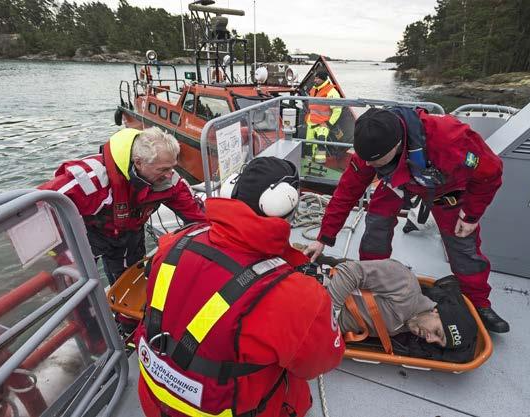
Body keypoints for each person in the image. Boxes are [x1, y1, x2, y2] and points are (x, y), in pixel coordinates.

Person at [135, 157, 344, 417]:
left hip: (153, 400)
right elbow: (318, 363)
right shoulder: (298, 297)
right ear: (289, 208)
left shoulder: (172, 244)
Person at [304, 107, 510, 333]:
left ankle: (478, 303)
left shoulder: (450, 139)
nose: (369, 167)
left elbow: (491, 173)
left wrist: (471, 215)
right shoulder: (371, 151)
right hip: (400, 182)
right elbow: (347, 192)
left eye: (375, 163)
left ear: (396, 146)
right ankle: (373, 280)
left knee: (462, 244)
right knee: (376, 224)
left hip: (446, 188)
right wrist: (324, 237)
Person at [40, 127, 205, 285]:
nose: (170, 174)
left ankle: (122, 311)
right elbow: (36, 209)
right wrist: (65, 257)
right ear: (139, 163)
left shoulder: (170, 182)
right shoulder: (90, 179)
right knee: (79, 283)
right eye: (163, 169)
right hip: (88, 235)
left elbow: (197, 215)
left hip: (130, 236)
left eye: (172, 167)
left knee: (129, 283)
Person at [325, 259, 478, 363]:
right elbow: (349, 271)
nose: (430, 340)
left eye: (438, 343)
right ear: (436, 312)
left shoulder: (408, 327)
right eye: (437, 332)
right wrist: (330, 317)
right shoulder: (404, 284)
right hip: (318, 297)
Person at [305, 70, 342, 164]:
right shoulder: (313, 89)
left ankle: (320, 164)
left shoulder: (332, 92)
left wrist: (329, 124)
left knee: (321, 143)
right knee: (309, 144)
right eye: (315, 77)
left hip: (323, 124)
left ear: (323, 79)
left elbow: (337, 110)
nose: (315, 80)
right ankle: (308, 162)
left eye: (317, 78)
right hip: (311, 123)